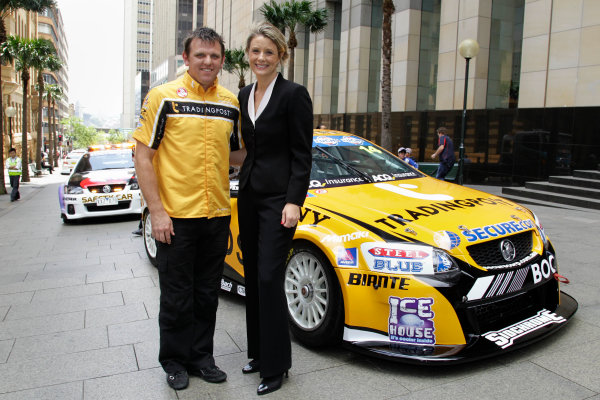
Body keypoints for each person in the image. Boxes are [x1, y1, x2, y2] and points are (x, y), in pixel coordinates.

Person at [133, 27, 242, 391]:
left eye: (214, 56)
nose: (208, 61)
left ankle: (201, 358)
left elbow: (239, 153)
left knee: (208, 293)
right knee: (177, 295)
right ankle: (175, 360)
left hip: (216, 216)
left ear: (222, 60)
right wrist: (157, 212)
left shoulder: (230, 102)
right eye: (200, 55)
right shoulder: (163, 97)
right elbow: (143, 156)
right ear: (186, 58)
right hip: (176, 217)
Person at [237, 22, 313, 396]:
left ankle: (277, 365)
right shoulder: (243, 94)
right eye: (255, 51)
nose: (261, 57)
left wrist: (294, 202)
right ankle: (257, 353)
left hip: (278, 201)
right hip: (249, 196)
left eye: (269, 51)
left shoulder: (294, 95)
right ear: (248, 55)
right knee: (252, 275)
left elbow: (302, 154)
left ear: (280, 54)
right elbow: (247, 148)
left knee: (269, 276)